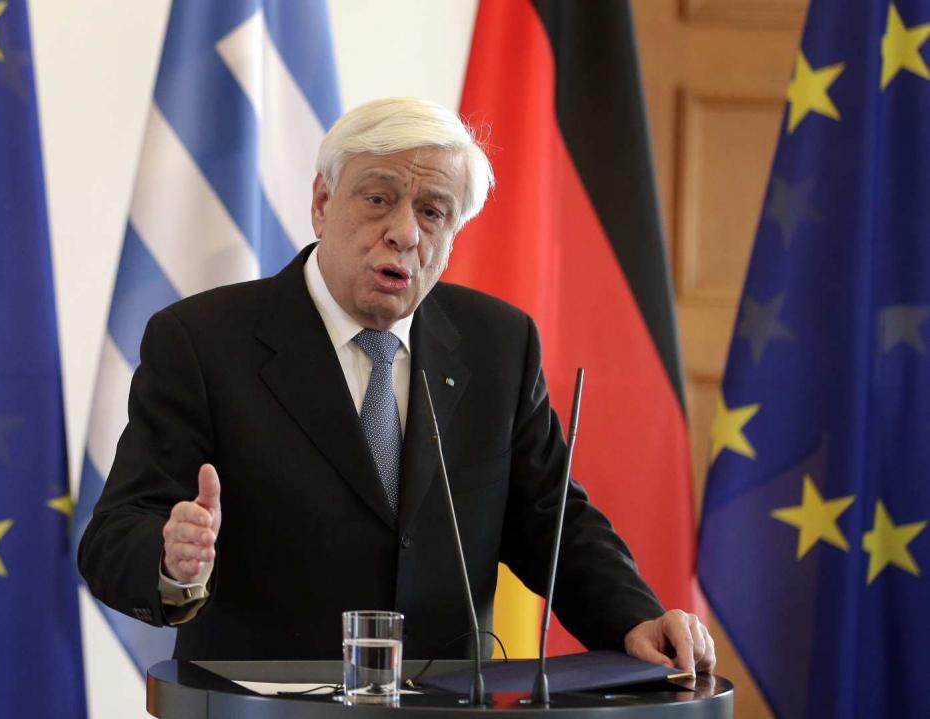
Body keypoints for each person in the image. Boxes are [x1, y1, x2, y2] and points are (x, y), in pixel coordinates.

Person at [79, 97, 716, 674]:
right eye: (378, 199)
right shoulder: (203, 341)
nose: (405, 232)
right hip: (263, 705)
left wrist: (635, 617)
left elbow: (553, 520)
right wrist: (172, 560)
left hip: (443, 704)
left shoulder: (500, 344)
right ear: (322, 203)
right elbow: (114, 534)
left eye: (432, 211)